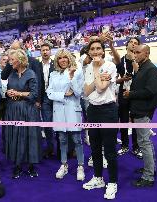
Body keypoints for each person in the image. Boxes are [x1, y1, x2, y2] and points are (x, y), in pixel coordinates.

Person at [82, 40, 119, 200]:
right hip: (92, 110)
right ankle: (98, 178)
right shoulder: (87, 67)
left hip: (108, 110)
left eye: (98, 48)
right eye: (92, 49)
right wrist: (97, 76)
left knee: (109, 150)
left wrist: (97, 74)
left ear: (103, 51)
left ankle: (112, 182)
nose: (96, 51)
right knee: (95, 148)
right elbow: (87, 91)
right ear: (89, 52)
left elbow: (101, 88)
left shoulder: (110, 66)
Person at [123, 44, 157, 187]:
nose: (135, 54)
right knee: (145, 142)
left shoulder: (151, 69)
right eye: (134, 52)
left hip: (144, 111)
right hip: (139, 110)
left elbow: (150, 91)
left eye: (138, 52)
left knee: (144, 143)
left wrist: (130, 94)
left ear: (147, 54)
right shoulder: (142, 68)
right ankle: (151, 169)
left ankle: (148, 176)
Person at [46, 49, 85, 181]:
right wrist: (63, 95)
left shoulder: (78, 72)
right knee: (62, 139)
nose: (63, 60)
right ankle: (64, 164)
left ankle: (80, 166)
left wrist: (72, 77)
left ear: (69, 59)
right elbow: (49, 93)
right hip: (58, 111)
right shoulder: (53, 74)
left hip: (73, 110)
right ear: (57, 60)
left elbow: (79, 92)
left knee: (77, 140)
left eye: (65, 57)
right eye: (60, 58)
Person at [4, 49, 41, 179]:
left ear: (20, 60)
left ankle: (31, 166)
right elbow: (8, 89)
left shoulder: (31, 74)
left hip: (28, 110)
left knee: (29, 136)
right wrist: (8, 93)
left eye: (12, 60)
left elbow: (34, 94)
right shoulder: (11, 74)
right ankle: (18, 165)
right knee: (15, 136)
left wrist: (18, 93)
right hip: (13, 110)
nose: (10, 62)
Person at [116, 37, 142, 159]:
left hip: (136, 94)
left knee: (136, 121)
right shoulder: (119, 60)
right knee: (124, 121)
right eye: (131, 42)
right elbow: (115, 80)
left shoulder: (139, 60)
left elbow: (140, 75)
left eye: (136, 43)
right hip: (123, 94)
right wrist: (122, 79)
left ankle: (136, 147)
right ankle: (125, 145)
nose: (133, 44)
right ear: (126, 45)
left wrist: (133, 60)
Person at [38, 42, 56, 158]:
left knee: (60, 124)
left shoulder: (56, 65)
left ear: (50, 51)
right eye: (43, 50)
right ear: (41, 52)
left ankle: (63, 148)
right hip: (44, 98)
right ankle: (50, 149)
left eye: (47, 50)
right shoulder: (37, 65)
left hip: (56, 97)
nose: (45, 52)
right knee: (48, 125)